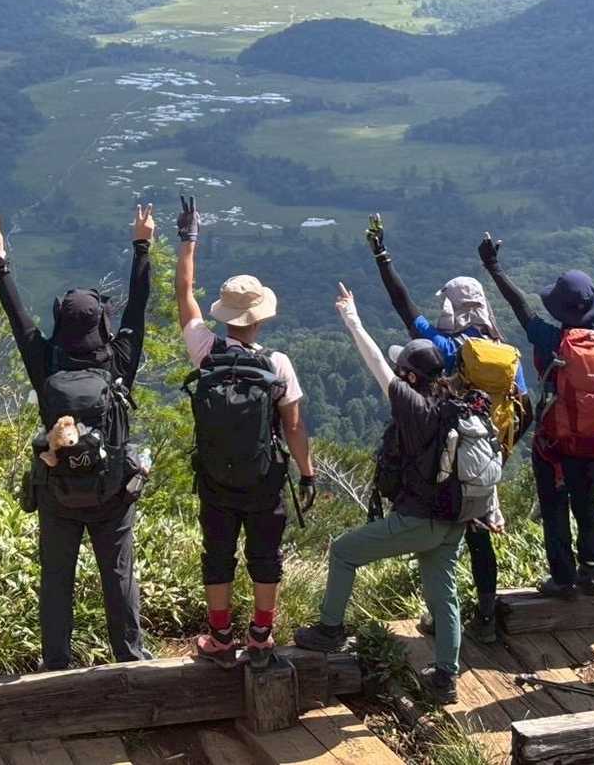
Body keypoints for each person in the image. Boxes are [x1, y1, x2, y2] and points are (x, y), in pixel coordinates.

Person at [295, 284, 501, 705]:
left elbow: (376, 364)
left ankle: (330, 630)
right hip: (455, 521)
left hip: (420, 519)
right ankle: (445, 678)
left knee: (344, 552)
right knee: (443, 594)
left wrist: (352, 319)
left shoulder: (415, 407)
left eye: (401, 369)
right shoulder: (453, 402)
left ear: (410, 377)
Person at [0, 206, 154, 668]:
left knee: (57, 578)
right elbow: (138, 306)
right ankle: (130, 658)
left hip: (56, 490)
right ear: (102, 324)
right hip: (113, 492)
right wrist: (142, 246)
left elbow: (18, 318)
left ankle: (56, 663)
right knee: (118, 575)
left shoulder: (45, 363)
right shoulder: (119, 362)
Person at [364, 214, 532, 644]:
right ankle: (487, 618)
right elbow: (526, 409)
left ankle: (442, 620)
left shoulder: (443, 347)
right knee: (480, 535)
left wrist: (382, 257)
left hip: (447, 456)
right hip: (488, 455)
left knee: (444, 539)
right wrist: (500, 447)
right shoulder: (506, 354)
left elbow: (404, 306)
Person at [175, 195, 316, 668]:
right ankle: (260, 636)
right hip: (264, 476)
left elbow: (184, 293)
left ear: (225, 316)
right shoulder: (277, 364)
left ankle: (219, 637)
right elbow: (293, 426)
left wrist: (188, 239)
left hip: (215, 475)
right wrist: (307, 473)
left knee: (217, 553)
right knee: (265, 554)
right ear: (259, 318)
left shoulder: (204, 350)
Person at [478, 232, 594, 600]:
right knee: (587, 506)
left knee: (556, 509)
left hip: (554, 446)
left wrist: (493, 267)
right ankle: (591, 572)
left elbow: (521, 308)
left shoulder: (551, 340)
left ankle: (563, 579)